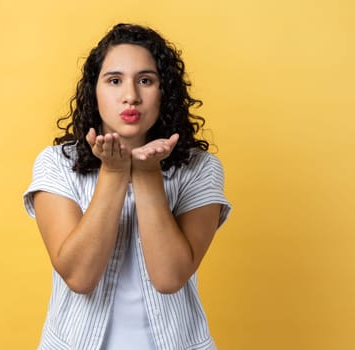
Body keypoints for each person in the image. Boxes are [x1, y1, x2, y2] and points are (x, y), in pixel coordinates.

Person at [23, 23, 231, 350]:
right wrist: (114, 172)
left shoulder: (201, 168)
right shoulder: (56, 163)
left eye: (145, 80)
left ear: (165, 92)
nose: (130, 96)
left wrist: (147, 174)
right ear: (95, 90)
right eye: (115, 80)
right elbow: (79, 276)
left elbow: (169, 278)